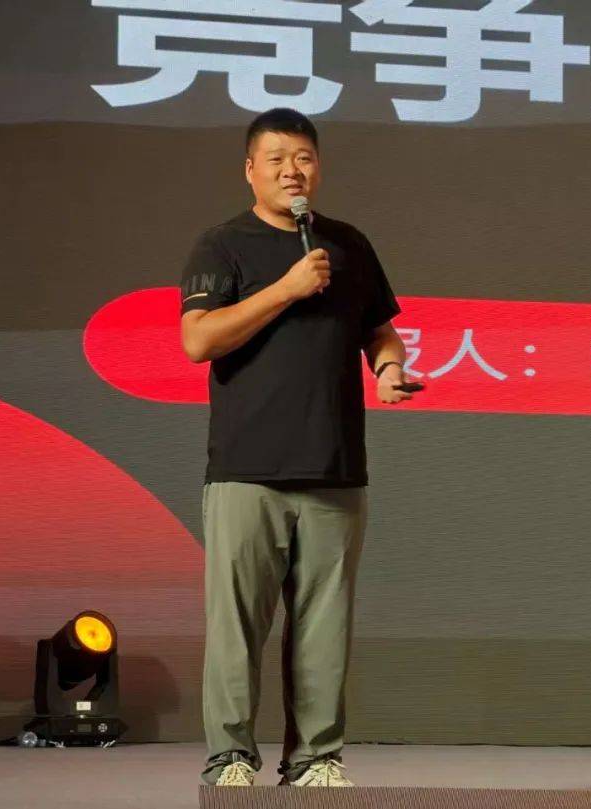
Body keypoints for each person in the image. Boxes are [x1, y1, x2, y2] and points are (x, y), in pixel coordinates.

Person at [179, 107, 421, 788]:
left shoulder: (347, 244)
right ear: (250, 170)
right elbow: (198, 340)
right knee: (237, 626)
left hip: (335, 467)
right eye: (278, 159)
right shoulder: (222, 245)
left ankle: (316, 757)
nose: (293, 170)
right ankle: (230, 756)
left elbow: (379, 328)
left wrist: (388, 367)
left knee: (324, 627)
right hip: (247, 470)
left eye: (305, 158)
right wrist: (286, 289)